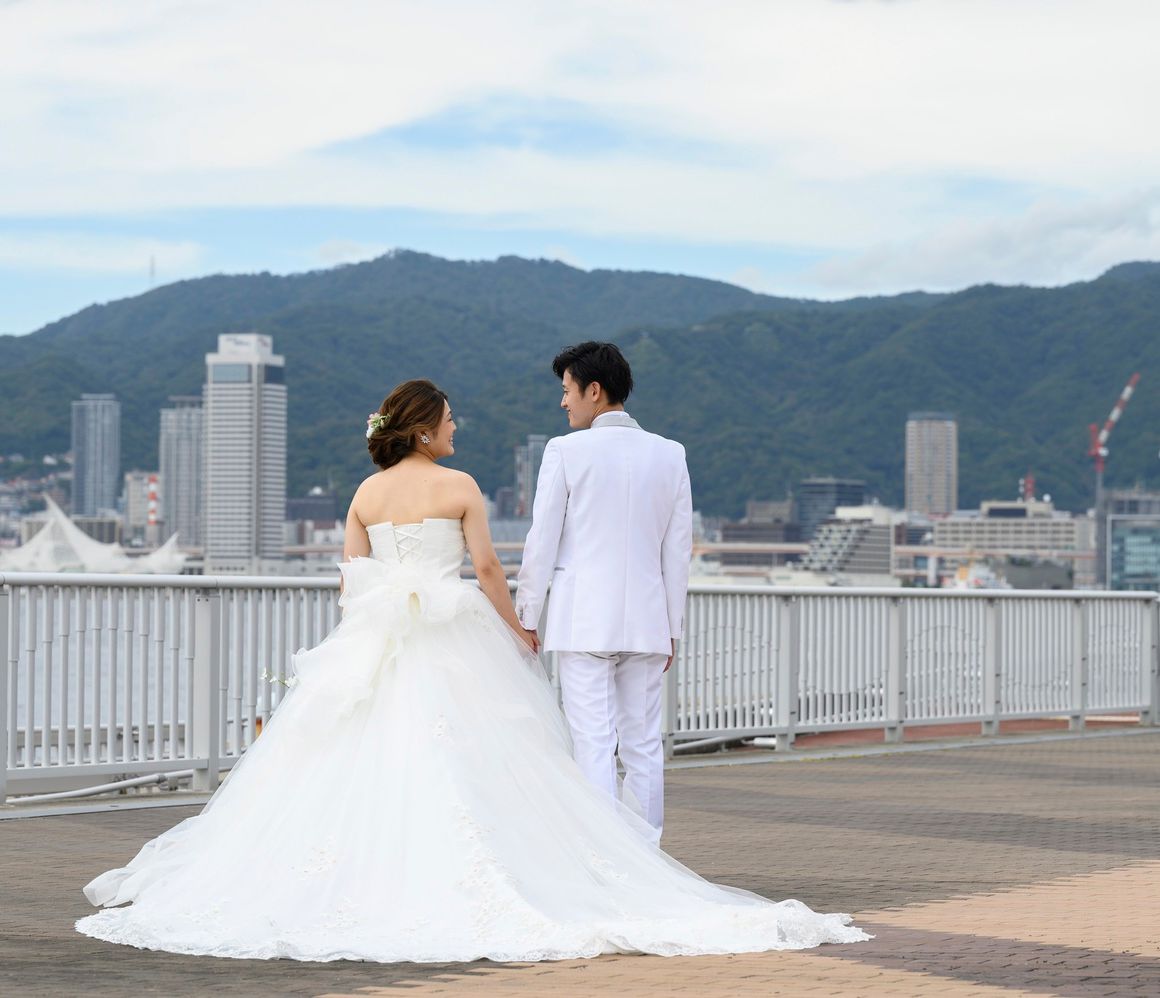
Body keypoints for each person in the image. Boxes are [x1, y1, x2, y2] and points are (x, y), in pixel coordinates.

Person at [76, 379, 867, 962]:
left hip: (379, 636)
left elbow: (351, 582)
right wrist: (519, 629)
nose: (457, 428)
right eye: (450, 419)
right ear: (424, 429)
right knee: (486, 755)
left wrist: (370, 629)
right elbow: (488, 570)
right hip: (453, 633)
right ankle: (585, 864)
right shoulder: (457, 486)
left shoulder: (364, 492)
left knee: (360, 757)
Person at [516, 342, 690, 842]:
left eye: (567, 390)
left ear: (594, 390)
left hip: (583, 620)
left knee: (592, 741)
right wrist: (672, 628)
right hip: (648, 621)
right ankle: (646, 854)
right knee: (643, 744)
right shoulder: (671, 454)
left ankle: (604, 854)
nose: (563, 402)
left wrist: (527, 616)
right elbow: (678, 551)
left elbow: (542, 541)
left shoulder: (565, 451)